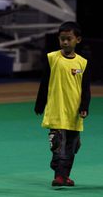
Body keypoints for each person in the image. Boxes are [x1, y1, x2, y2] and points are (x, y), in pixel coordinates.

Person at [34, 21, 91, 187]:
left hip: (74, 113)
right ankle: (59, 175)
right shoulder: (52, 58)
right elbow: (44, 83)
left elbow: (85, 89)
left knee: (73, 145)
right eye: (62, 39)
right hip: (56, 111)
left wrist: (84, 108)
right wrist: (40, 103)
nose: (65, 42)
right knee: (58, 144)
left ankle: (64, 175)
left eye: (69, 39)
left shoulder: (83, 63)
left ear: (78, 40)